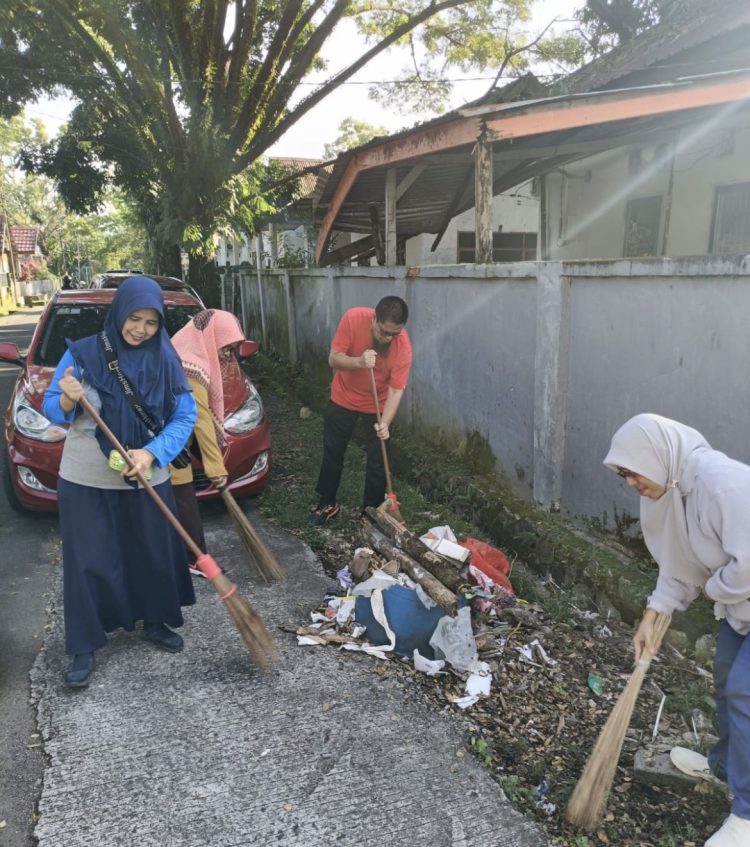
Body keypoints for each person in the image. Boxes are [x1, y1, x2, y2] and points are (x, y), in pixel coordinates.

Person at [43, 276, 198, 688]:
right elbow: (50, 411)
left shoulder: (167, 359)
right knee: (89, 560)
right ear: (119, 313)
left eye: (151, 322)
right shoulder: (82, 353)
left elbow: (185, 417)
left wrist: (151, 452)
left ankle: (154, 621)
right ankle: (84, 646)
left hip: (148, 474)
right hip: (85, 480)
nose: (141, 329)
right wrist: (66, 399)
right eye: (134, 318)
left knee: (151, 553)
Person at [604, 413, 750, 847]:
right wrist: (655, 613)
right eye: (622, 475)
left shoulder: (718, 483)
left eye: (632, 470)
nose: (630, 482)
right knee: (725, 684)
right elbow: (678, 564)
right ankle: (725, 767)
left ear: (657, 455)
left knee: (745, 693)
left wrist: (713, 589)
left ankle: (747, 816)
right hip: (742, 608)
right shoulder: (671, 490)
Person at [310, 296, 412, 525]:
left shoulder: (402, 346)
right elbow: (334, 359)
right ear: (374, 319)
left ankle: (370, 511)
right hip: (344, 396)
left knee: (378, 459)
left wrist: (385, 423)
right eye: (384, 332)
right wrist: (358, 362)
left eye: (394, 334)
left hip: (378, 404)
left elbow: (396, 391)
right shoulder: (353, 318)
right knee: (333, 451)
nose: (388, 338)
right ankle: (327, 502)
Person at [169, 309, 245, 576]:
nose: (229, 355)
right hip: (166, 444)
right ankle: (194, 558)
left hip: (173, 440)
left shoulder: (184, 348)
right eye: (227, 347)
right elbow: (199, 418)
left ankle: (189, 555)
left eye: (233, 349)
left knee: (179, 501)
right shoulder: (190, 365)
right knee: (184, 500)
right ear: (213, 337)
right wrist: (215, 468)